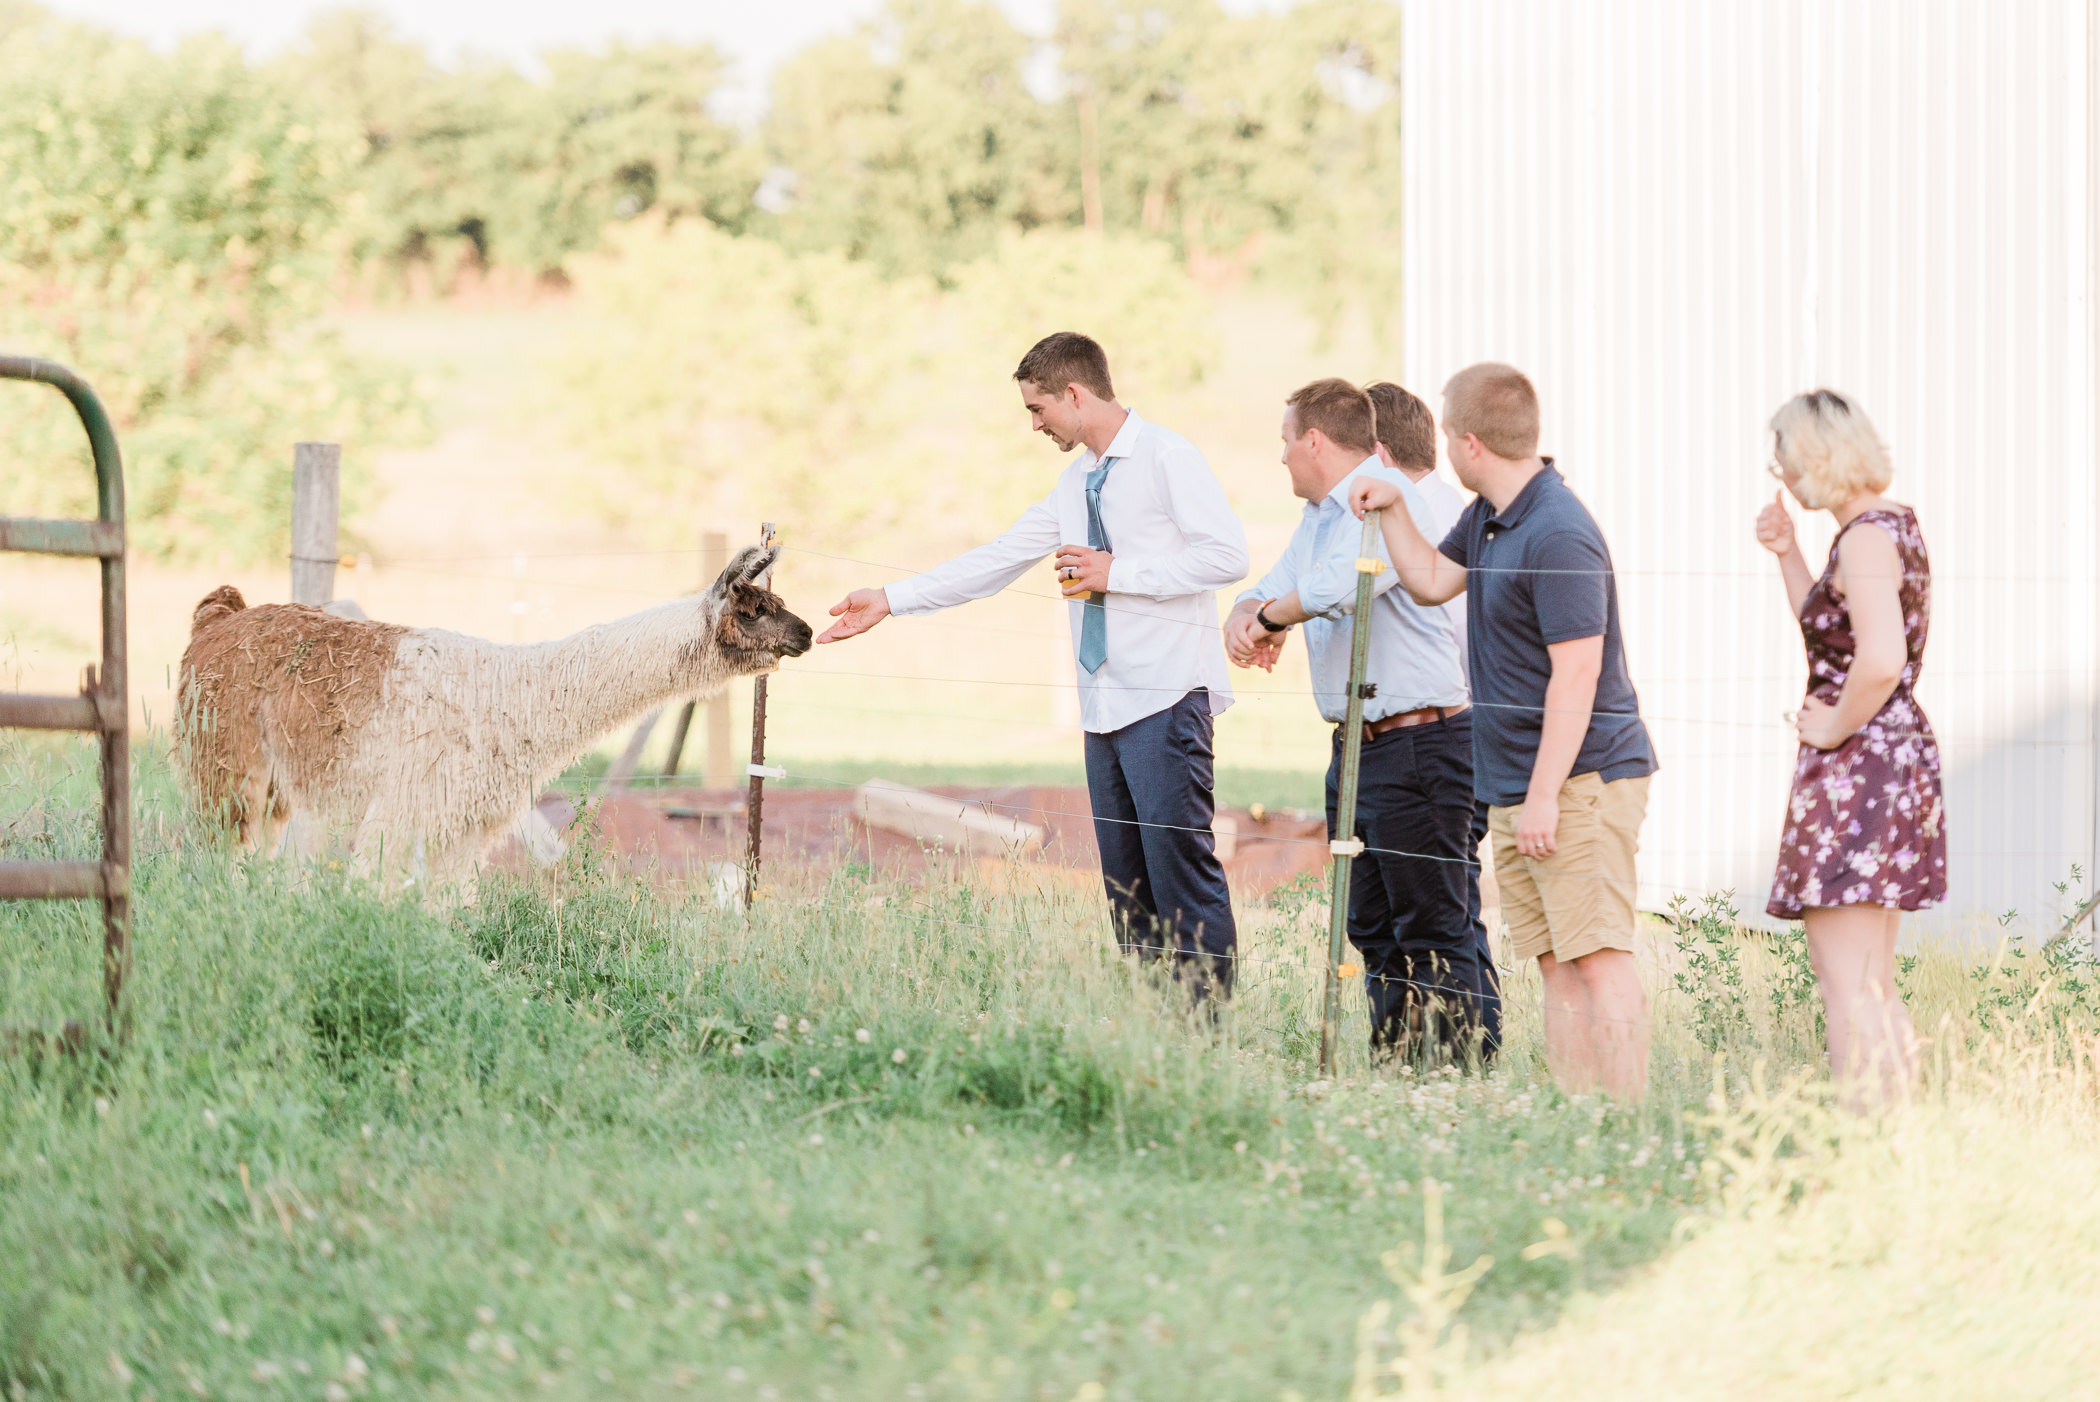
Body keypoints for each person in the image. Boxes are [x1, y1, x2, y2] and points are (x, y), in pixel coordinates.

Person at [818, 332, 1249, 1001]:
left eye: (1038, 408)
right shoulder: (1075, 481)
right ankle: (1155, 1025)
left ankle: (1208, 1033)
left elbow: (1226, 555)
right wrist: (891, 600)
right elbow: (997, 559)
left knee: (1180, 873)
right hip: (1103, 708)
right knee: (1127, 888)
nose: (1035, 425)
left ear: (1075, 393)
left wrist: (1119, 572)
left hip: (1165, 699)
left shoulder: (1169, 457)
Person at [1349, 363, 1657, 1100]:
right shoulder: (1487, 517)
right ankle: (1574, 1116)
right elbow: (1428, 580)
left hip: (1580, 781)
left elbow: (1577, 676)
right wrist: (1393, 505)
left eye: (1449, 435)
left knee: (1599, 957)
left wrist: (1546, 794)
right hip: (1519, 782)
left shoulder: (1558, 532)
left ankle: (1626, 1123)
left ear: (1470, 443)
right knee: (1553, 960)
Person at [1223, 379, 1493, 1061]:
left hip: (1419, 740)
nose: (1281, 457)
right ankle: (1397, 1063)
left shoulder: (1389, 500)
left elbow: (1342, 585)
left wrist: (1272, 615)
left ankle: (1458, 1073)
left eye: (1286, 442)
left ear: (1314, 440)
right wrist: (1246, 611)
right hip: (1357, 745)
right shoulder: (1321, 516)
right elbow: (1277, 581)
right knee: (1371, 922)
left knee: (1433, 920)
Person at [1755, 389, 1944, 1109]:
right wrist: (1787, 553)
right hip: (1885, 764)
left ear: (1816, 458)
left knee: (1847, 985)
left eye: (1786, 458)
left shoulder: (1866, 537)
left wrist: (1832, 727)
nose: (1781, 473)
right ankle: (1893, 1143)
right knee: (1869, 981)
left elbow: (1881, 659)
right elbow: (1835, 635)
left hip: (1862, 766)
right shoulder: (1883, 528)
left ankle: (1867, 1142)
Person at [1363, 379, 1500, 1054]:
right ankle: (1424, 1055)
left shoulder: (1431, 523)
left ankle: (1464, 1054)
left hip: (1445, 737)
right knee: (1427, 907)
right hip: (1455, 739)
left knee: (1439, 914)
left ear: (1378, 452)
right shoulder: (1455, 511)